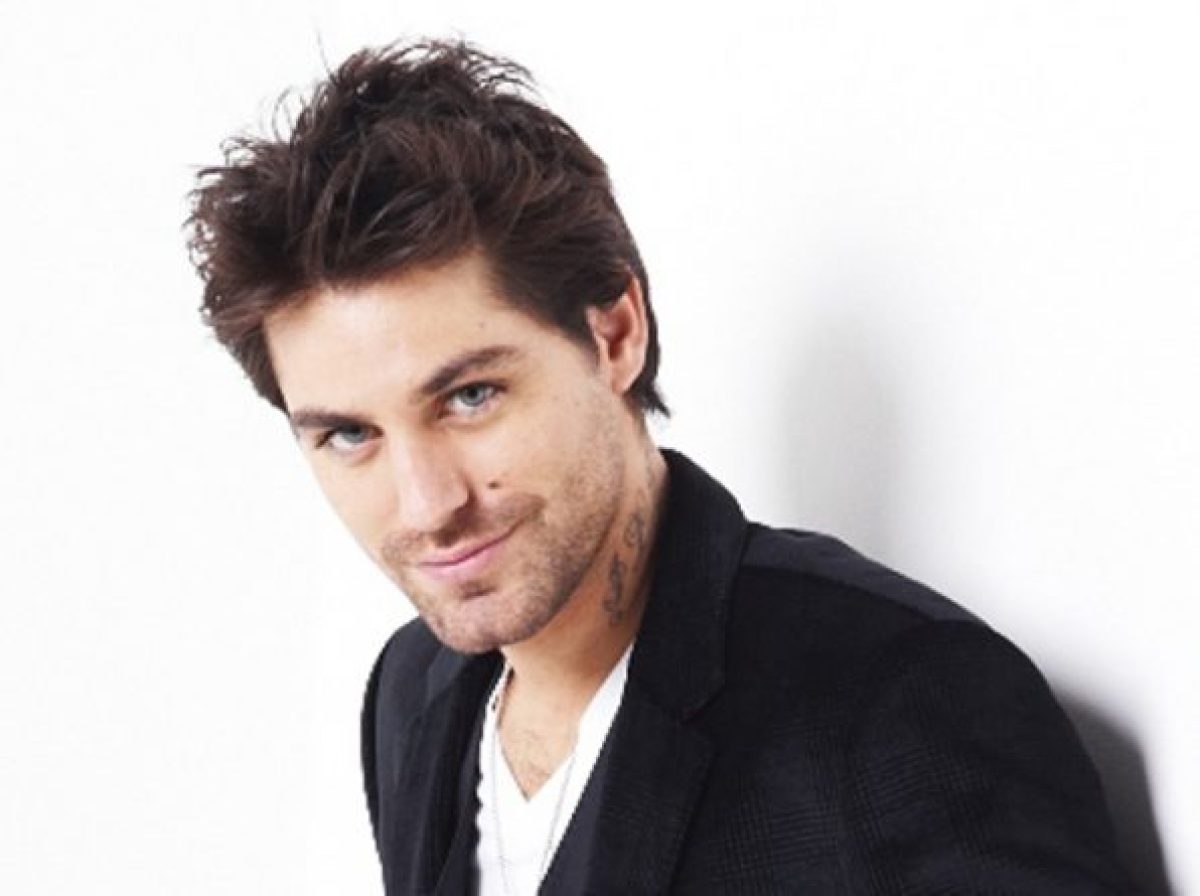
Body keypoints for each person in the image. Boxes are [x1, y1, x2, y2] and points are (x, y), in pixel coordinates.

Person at [187, 40, 1135, 895]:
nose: (427, 504)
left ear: (615, 335)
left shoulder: (904, 703)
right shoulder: (411, 692)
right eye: (349, 436)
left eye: (470, 396)